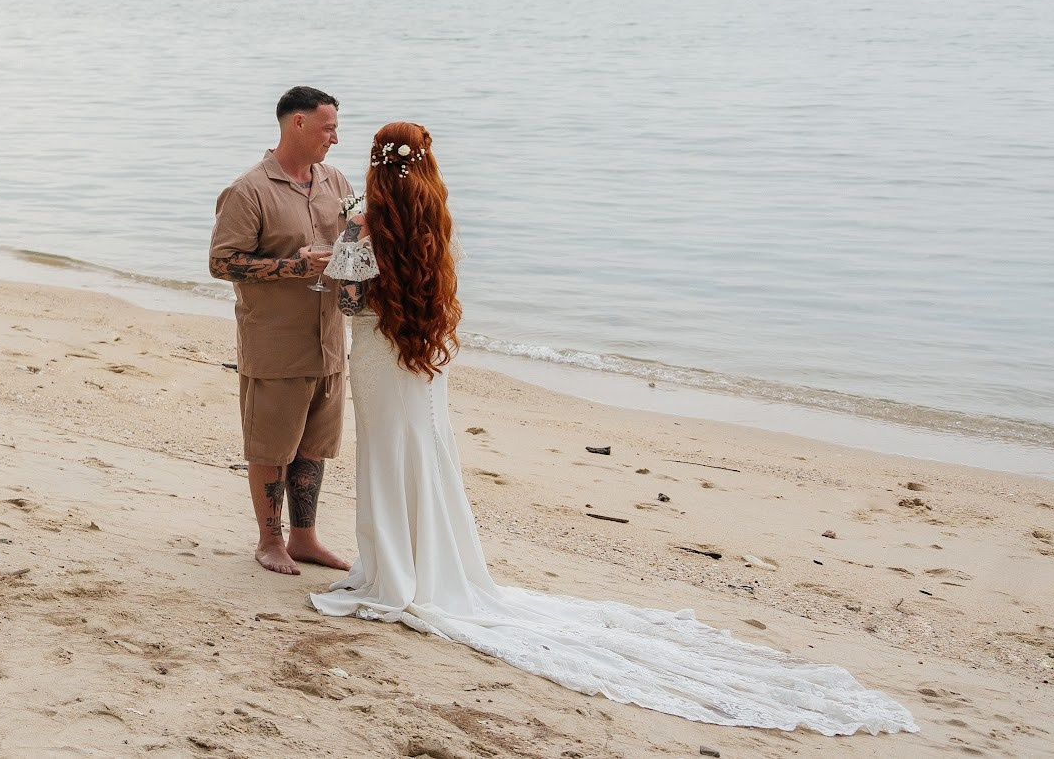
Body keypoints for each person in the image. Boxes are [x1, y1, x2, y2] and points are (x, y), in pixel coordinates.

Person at [311, 121, 916, 735]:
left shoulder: (367, 227)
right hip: (421, 361)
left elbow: (353, 305)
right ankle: (428, 562)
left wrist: (344, 247)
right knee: (429, 456)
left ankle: (393, 569)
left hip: (378, 356)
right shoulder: (431, 221)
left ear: (376, 167)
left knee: (386, 458)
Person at [209, 85, 352, 575]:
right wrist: (294, 268)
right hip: (275, 341)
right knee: (271, 447)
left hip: (329, 340)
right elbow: (222, 263)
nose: (335, 137)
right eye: (328, 127)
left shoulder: (336, 181)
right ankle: (269, 541)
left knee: (315, 445)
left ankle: (305, 538)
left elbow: (352, 248)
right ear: (298, 124)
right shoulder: (249, 189)